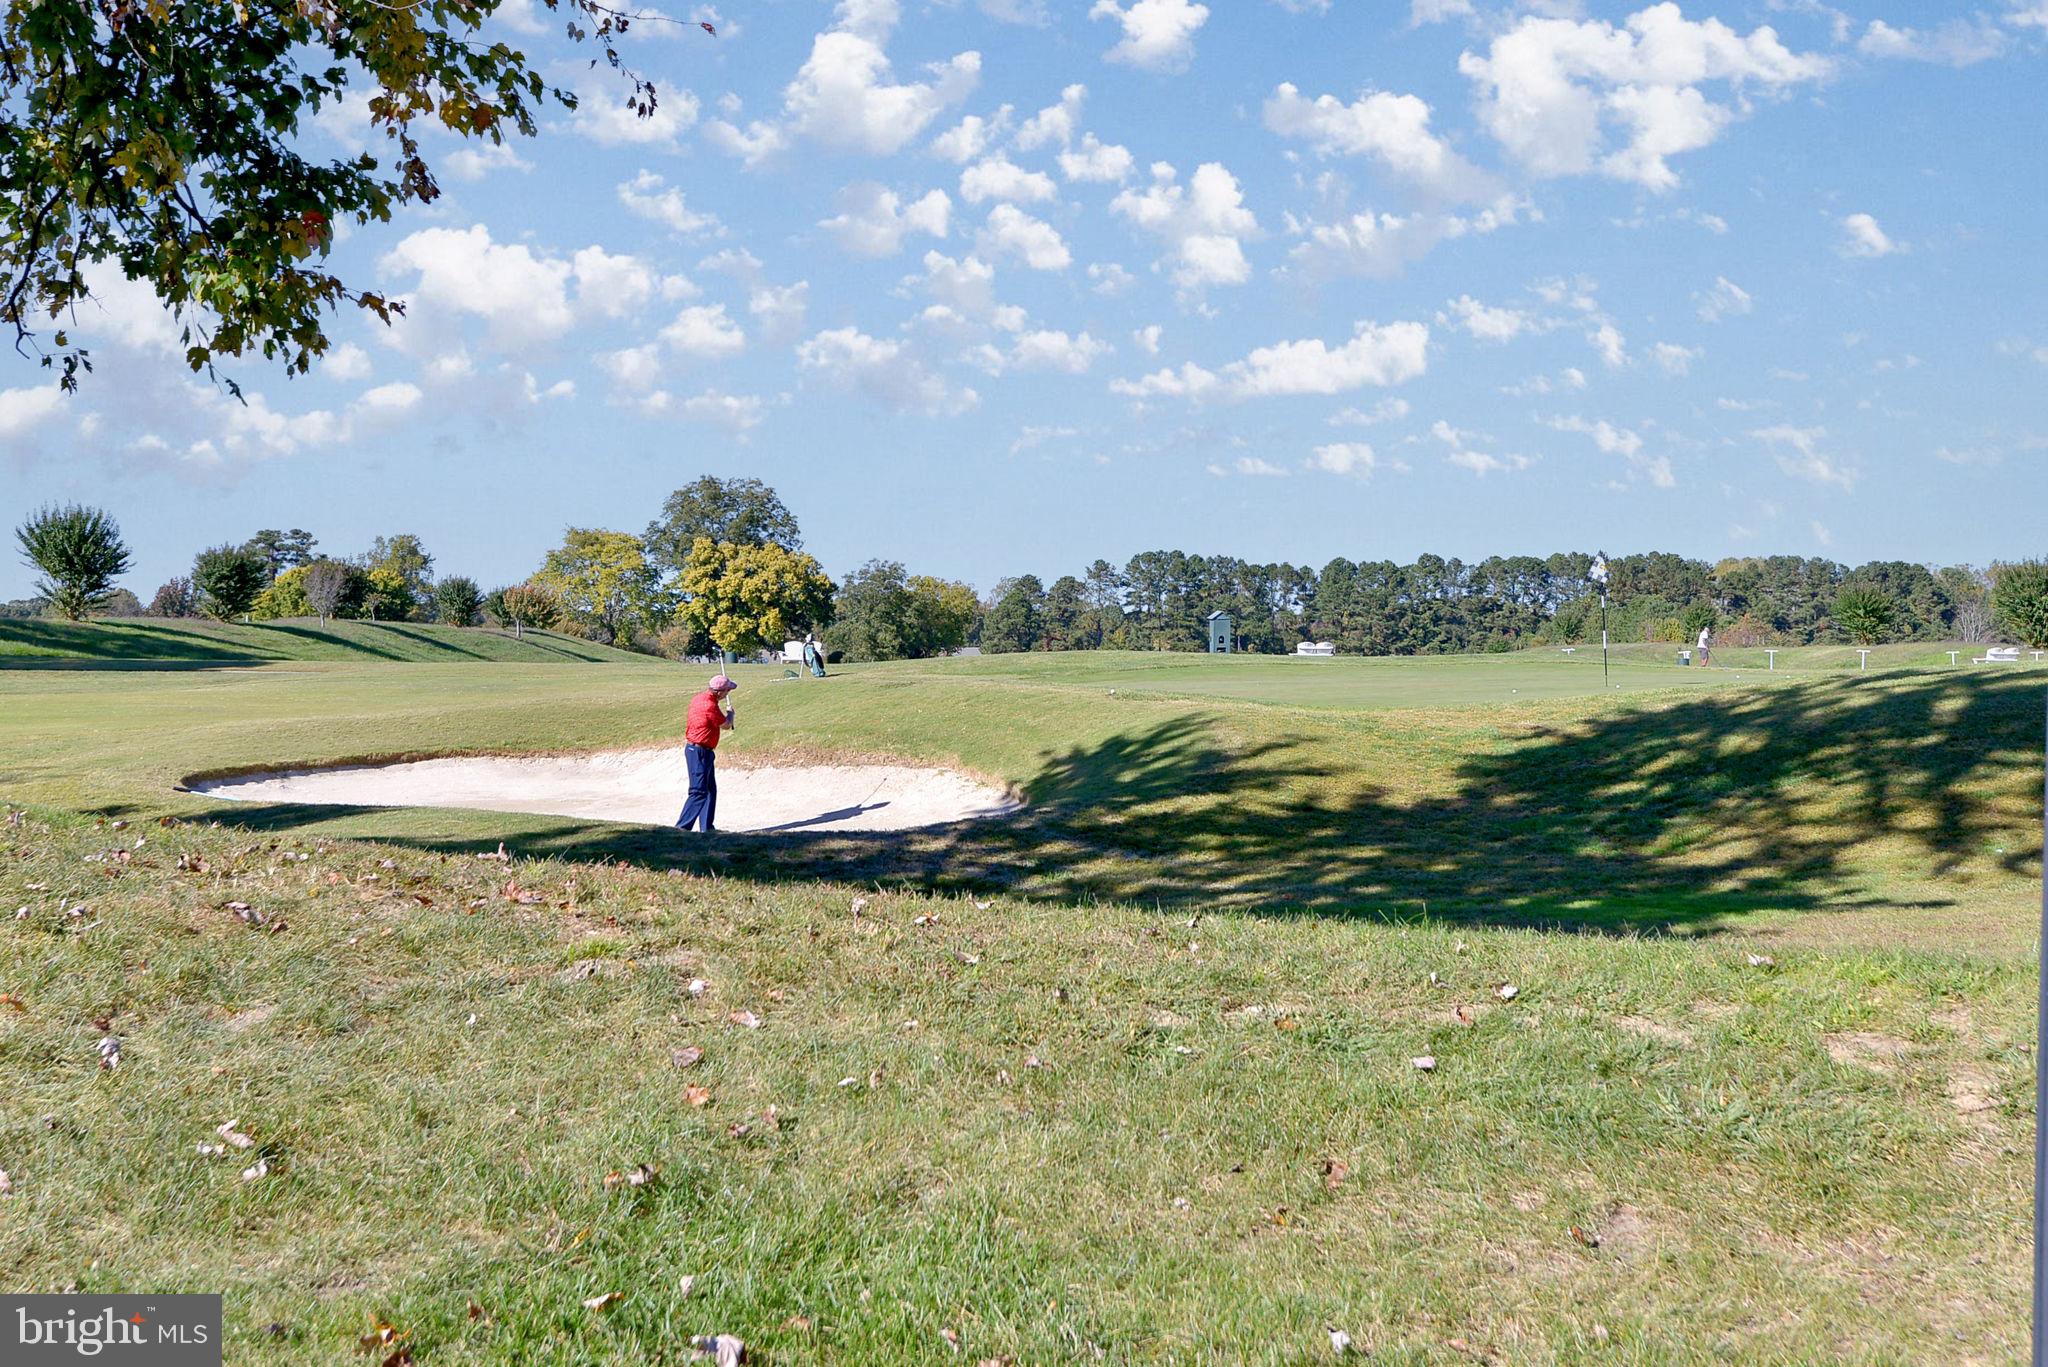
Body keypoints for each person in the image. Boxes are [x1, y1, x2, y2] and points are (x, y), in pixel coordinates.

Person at [675, 674, 737, 832]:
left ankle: (707, 828)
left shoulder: (699, 698)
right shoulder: (709, 706)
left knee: (710, 790)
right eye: (727, 691)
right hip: (699, 752)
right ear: (718, 692)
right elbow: (726, 725)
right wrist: (730, 714)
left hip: (702, 750)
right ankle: (681, 829)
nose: (728, 693)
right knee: (698, 792)